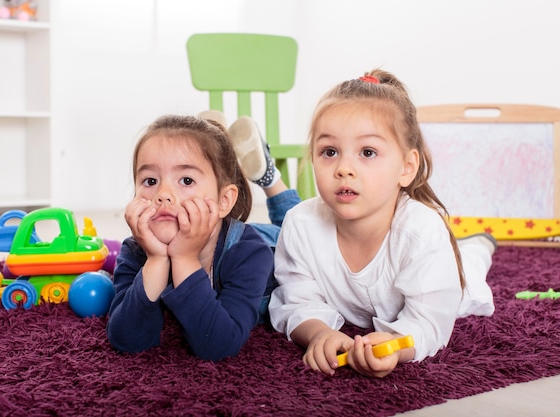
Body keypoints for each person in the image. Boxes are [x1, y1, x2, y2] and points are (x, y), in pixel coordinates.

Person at [268, 69, 496, 378]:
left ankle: (479, 246)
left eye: (368, 152)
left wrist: (396, 346)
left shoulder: (423, 232)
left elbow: (429, 321)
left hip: (444, 279)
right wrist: (318, 332)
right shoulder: (300, 224)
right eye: (329, 152)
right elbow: (295, 300)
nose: (344, 168)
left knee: (469, 271)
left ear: (407, 167)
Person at [106, 113, 299, 361]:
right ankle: (214, 125)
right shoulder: (135, 251)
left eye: (186, 180)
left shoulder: (250, 253)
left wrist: (184, 259)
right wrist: (156, 260)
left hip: (272, 242)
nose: (163, 194)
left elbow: (219, 345)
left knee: (297, 226)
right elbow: (127, 340)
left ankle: (269, 177)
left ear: (224, 200)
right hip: (222, 227)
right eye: (150, 180)